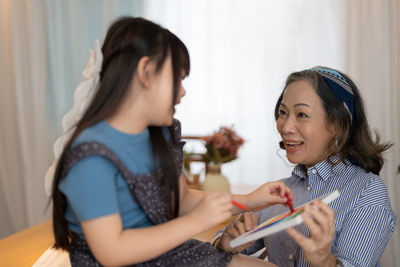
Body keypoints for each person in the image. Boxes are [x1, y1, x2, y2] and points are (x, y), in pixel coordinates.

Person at [49, 17, 293, 267]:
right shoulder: (90, 155)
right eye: (177, 79)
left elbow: (181, 202)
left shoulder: (163, 133)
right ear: (145, 72)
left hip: (166, 253)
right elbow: (112, 253)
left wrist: (250, 200)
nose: (182, 92)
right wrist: (196, 222)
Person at [214, 67, 397, 266]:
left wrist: (325, 262)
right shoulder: (278, 193)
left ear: (337, 125)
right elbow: (228, 242)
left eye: (302, 114)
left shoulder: (368, 190)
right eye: (283, 112)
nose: (285, 127)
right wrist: (225, 241)